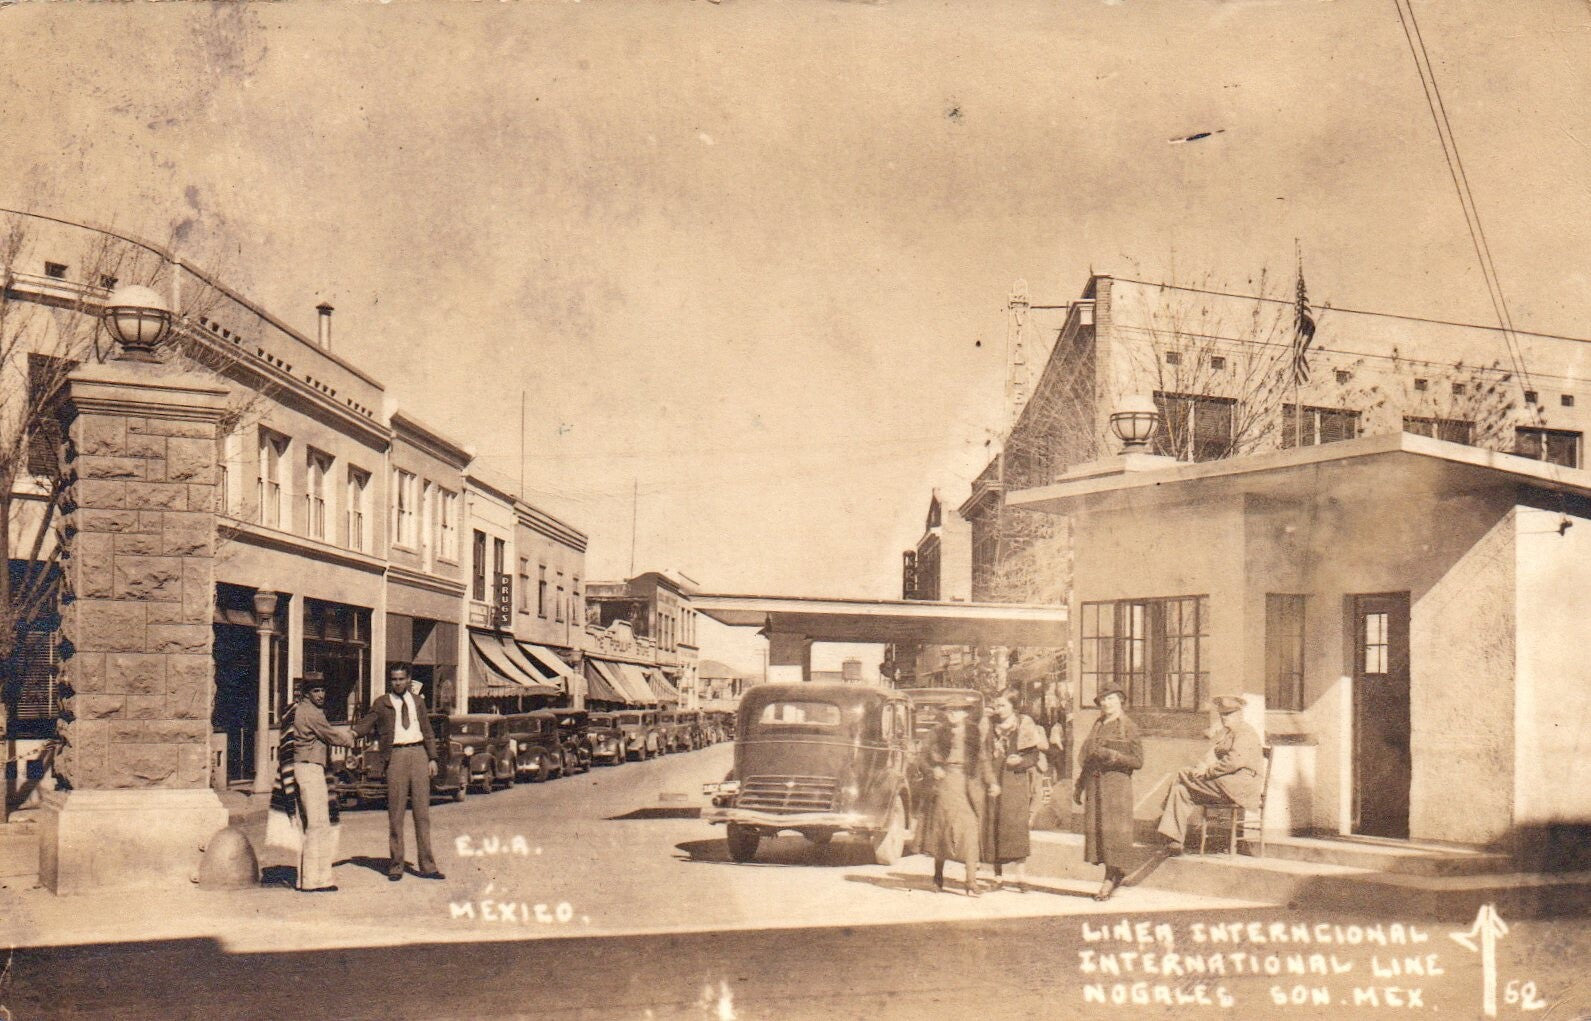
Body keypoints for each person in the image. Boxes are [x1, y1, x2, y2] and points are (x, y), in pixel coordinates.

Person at [353, 664, 446, 882]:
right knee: (396, 813)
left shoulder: (418, 702)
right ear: (390, 681)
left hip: (419, 754)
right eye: (394, 679)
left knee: (422, 814)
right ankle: (396, 866)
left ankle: (428, 866)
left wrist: (432, 758)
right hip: (395, 756)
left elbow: (427, 731)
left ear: (408, 679)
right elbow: (367, 723)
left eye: (402, 679)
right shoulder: (382, 703)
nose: (398, 683)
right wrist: (353, 732)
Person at [1156, 695, 1264, 853]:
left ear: (1239, 714)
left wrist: (1206, 771)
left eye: (1228, 714)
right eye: (1222, 714)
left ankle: (1162, 814)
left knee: (1183, 773)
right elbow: (1216, 754)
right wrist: (1205, 765)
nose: (1223, 718)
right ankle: (1175, 842)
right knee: (1181, 791)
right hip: (1226, 786)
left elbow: (1233, 762)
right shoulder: (1229, 733)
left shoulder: (1245, 733)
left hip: (1239, 788)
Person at [1073, 686, 1142, 901]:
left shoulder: (1129, 727)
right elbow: (1088, 757)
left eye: (1110, 699)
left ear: (1120, 700)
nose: (1106, 703)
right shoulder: (1098, 724)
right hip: (1095, 785)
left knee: (1113, 835)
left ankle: (1109, 879)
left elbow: (1138, 761)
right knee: (1100, 835)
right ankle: (1114, 873)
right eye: (1102, 700)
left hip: (1116, 787)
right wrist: (1079, 785)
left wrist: (1114, 755)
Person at [290, 673, 354, 892]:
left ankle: (305, 879)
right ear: (307, 693)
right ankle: (316, 881)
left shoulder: (300, 710)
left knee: (309, 825)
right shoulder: (312, 713)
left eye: (323, 690)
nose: (320, 695)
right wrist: (351, 738)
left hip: (303, 767)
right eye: (315, 691)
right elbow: (331, 735)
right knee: (319, 825)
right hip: (310, 768)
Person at [918, 703, 988, 896]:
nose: (953, 714)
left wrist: (991, 783)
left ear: (965, 713)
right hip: (945, 784)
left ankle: (971, 881)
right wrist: (933, 770)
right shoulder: (937, 732)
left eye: (957, 710)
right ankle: (937, 878)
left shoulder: (974, 733)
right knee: (943, 830)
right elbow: (922, 758)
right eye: (949, 710)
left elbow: (983, 760)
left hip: (969, 785)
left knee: (971, 831)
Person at [984, 689, 1045, 891]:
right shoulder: (990, 724)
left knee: (1016, 826)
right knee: (994, 824)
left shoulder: (1024, 724)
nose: (998, 709)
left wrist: (1020, 761)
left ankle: (1021, 876)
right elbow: (983, 753)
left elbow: (1034, 756)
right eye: (996, 705)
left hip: (1015, 781)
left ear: (1013, 706)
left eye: (1002, 705)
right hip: (994, 779)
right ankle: (997, 876)